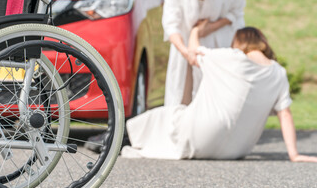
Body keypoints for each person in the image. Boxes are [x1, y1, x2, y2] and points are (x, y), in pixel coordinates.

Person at [121, 25, 317, 162]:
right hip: (236, 150)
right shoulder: (278, 73)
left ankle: (116, 137)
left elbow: (194, 53)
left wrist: (197, 30)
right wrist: (294, 154)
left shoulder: (233, 58)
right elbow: (285, 114)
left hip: (201, 137)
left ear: (240, 43)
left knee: (168, 115)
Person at [163, 0, 246, 106]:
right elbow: (171, 25)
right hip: (185, 47)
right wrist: (186, 51)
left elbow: (237, 12)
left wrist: (208, 28)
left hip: (218, 45)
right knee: (182, 96)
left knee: (218, 98)